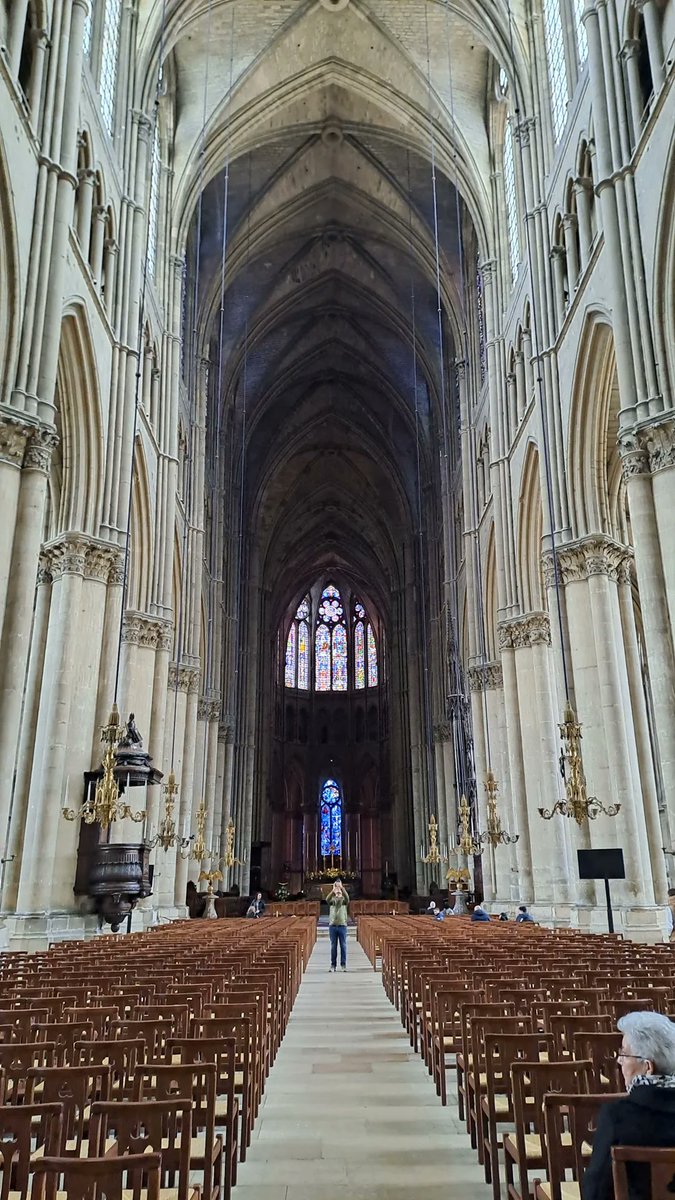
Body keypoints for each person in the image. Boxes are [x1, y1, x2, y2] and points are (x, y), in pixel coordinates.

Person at [582, 1011, 675, 1200]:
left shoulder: (616, 1116)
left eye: (624, 1053)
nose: (619, 1060)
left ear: (648, 1067)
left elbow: (595, 1193)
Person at [328, 879, 349, 972]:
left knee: (343, 946)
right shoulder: (332, 901)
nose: (337, 890)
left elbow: (347, 898)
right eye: (336, 887)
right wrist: (333, 891)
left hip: (342, 926)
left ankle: (343, 964)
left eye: (338, 888)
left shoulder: (344, 901)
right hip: (333, 926)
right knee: (333, 946)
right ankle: (333, 965)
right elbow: (327, 899)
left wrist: (342, 888)